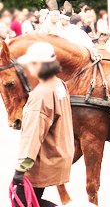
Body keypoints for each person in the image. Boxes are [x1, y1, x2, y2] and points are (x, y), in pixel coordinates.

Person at [12, 42, 74, 207]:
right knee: (31, 200)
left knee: (22, 202)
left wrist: (21, 168)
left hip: (42, 160)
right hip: (59, 154)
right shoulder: (59, 84)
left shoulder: (40, 94)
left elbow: (33, 134)